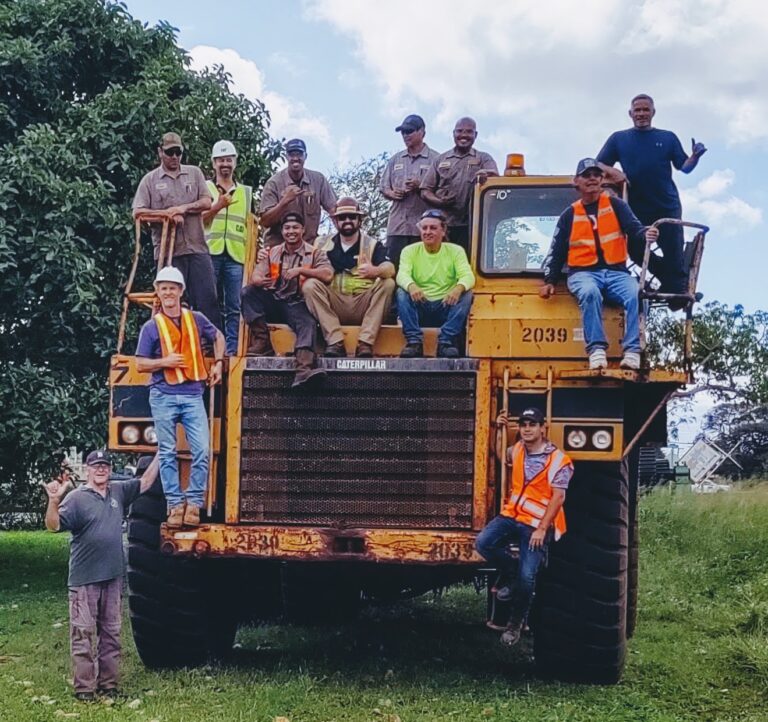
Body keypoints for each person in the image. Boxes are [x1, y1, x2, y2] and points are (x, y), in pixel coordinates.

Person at [43, 450, 160, 701]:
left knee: (111, 633)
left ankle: (109, 685)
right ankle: (84, 689)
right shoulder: (76, 499)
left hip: (113, 577)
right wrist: (53, 500)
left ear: (109, 469)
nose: (101, 470)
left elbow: (147, 481)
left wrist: (163, 450)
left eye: (105, 466)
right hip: (84, 579)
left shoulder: (118, 491)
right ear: (87, 469)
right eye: (96, 466)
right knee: (83, 634)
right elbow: (53, 526)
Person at [541, 158, 659, 370]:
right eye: (587, 175)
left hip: (616, 273)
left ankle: (632, 351)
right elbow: (557, 250)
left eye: (596, 174)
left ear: (603, 179)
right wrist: (550, 280)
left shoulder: (617, 206)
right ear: (576, 182)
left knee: (638, 294)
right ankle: (596, 349)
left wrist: (646, 233)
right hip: (583, 274)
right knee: (589, 293)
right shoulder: (568, 215)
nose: (592, 179)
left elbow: (634, 228)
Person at [135, 266, 225, 527]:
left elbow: (218, 337)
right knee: (167, 452)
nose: (168, 293)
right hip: (162, 394)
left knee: (202, 451)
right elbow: (141, 364)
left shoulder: (195, 319)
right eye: (163, 288)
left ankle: (193, 503)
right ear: (158, 293)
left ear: (181, 291)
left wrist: (218, 364)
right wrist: (165, 361)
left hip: (192, 395)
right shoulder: (151, 327)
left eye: (172, 288)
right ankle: (175, 505)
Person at [475, 407, 573, 647]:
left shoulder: (560, 461)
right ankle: (511, 574)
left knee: (528, 577)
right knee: (483, 543)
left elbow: (558, 497)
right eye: (523, 424)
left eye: (532, 424)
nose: (527, 429)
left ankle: (515, 624)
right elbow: (501, 454)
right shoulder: (518, 449)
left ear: (543, 428)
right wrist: (499, 428)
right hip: (512, 515)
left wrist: (541, 529)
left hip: (536, 524)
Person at [596, 94, 707, 297]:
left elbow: (685, 167)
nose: (641, 114)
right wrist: (616, 173)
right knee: (635, 250)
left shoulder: (667, 137)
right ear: (630, 114)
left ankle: (676, 293)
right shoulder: (619, 139)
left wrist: (695, 157)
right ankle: (670, 280)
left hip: (667, 205)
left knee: (673, 252)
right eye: (637, 110)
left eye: (645, 110)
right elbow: (598, 164)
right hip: (636, 207)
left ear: (653, 112)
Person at [132, 132, 220, 328]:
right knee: (172, 301)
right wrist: (167, 215)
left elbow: (207, 201)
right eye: (170, 152)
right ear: (160, 152)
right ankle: (170, 345)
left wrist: (183, 209)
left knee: (208, 298)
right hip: (168, 252)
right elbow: (138, 212)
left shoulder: (194, 173)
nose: (174, 157)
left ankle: (211, 347)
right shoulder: (150, 180)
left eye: (178, 152)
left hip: (197, 247)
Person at [240, 212, 332, 387]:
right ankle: (262, 342)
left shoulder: (314, 253)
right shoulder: (272, 252)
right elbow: (257, 274)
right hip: (275, 299)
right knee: (248, 292)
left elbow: (328, 274)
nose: (291, 231)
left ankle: (303, 369)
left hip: (297, 303)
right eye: (287, 228)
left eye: (295, 227)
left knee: (307, 323)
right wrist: (259, 279)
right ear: (282, 231)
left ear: (303, 230)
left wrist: (301, 271)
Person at [305, 197, 396, 358]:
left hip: (363, 303)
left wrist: (374, 271)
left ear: (360, 220)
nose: (347, 221)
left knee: (388, 283)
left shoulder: (372, 244)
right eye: (342, 217)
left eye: (352, 217)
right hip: (334, 303)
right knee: (309, 285)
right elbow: (300, 258)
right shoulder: (320, 244)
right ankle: (334, 342)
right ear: (335, 221)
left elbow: (390, 268)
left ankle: (365, 343)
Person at [395, 209, 475, 358]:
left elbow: (468, 276)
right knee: (401, 292)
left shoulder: (456, 251)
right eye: (424, 228)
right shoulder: (409, 251)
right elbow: (402, 274)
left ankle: (446, 342)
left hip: (445, 305)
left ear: (443, 231)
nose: (427, 232)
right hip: (419, 305)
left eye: (433, 228)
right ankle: (414, 343)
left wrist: (458, 288)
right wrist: (411, 286)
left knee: (467, 293)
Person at [202, 140, 253, 356]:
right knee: (209, 303)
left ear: (235, 162)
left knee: (234, 306)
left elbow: (251, 226)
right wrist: (218, 206)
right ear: (213, 163)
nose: (225, 164)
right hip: (210, 253)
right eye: (221, 160)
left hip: (236, 255)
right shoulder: (204, 188)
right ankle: (211, 348)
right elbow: (199, 220)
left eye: (228, 159)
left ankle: (231, 351)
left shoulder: (246, 193)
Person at [420, 117, 498, 255]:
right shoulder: (440, 160)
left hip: (474, 226)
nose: (463, 135)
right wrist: (440, 202)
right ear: (453, 134)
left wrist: (484, 173)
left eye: (469, 132)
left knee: (470, 264)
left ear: (475, 135)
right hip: (444, 227)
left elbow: (495, 179)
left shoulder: (484, 158)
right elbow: (425, 190)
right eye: (460, 131)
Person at [379, 114, 439, 269]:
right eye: (403, 132)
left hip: (424, 228)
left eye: (410, 131)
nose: (406, 135)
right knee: (393, 269)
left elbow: (442, 193)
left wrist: (421, 186)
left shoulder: (436, 159)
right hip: (397, 227)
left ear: (422, 132)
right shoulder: (395, 160)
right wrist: (392, 193)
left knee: (423, 270)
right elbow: (383, 187)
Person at [259, 138, 337, 247]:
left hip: (309, 248)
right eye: (292, 154)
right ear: (286, 156)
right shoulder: (273, 183)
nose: (295, 158)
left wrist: (346, 240)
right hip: (278, 249)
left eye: (299, 154)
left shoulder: (318, 180)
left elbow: (334, 211)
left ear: (305, 156)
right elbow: (265, 221)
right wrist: (284, 202)